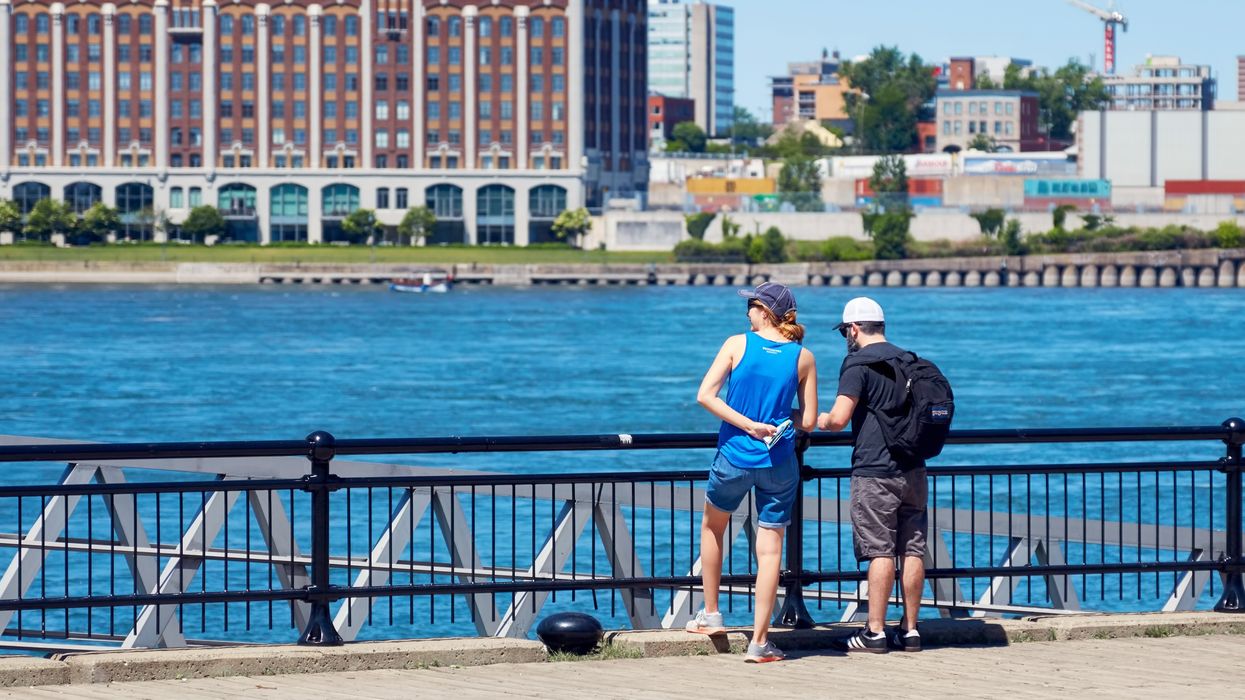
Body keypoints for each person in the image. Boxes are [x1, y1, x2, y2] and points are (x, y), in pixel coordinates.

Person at [687, 281, 818, 664]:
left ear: (764, 311)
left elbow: (705, 396)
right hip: (779, 461)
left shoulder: (736, 344)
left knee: (713, 528)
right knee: (771, 548)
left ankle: (712, 614)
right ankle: (760, 642)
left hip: (734, 457)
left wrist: (748, 424)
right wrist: (779, 417)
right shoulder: (803, 357)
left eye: (751, 305)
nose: (747, 312)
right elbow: (810, 420)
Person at [818, 297, 927, 653]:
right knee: (912, 549)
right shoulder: (908, 360)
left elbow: (839, 419)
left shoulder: (857, 364)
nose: (845, 338)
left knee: (880, 551)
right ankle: (910, 630)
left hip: (875, 471)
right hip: (913, 468)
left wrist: (818, 420)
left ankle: (875, 632)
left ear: (853, 329)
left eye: (844, 332)